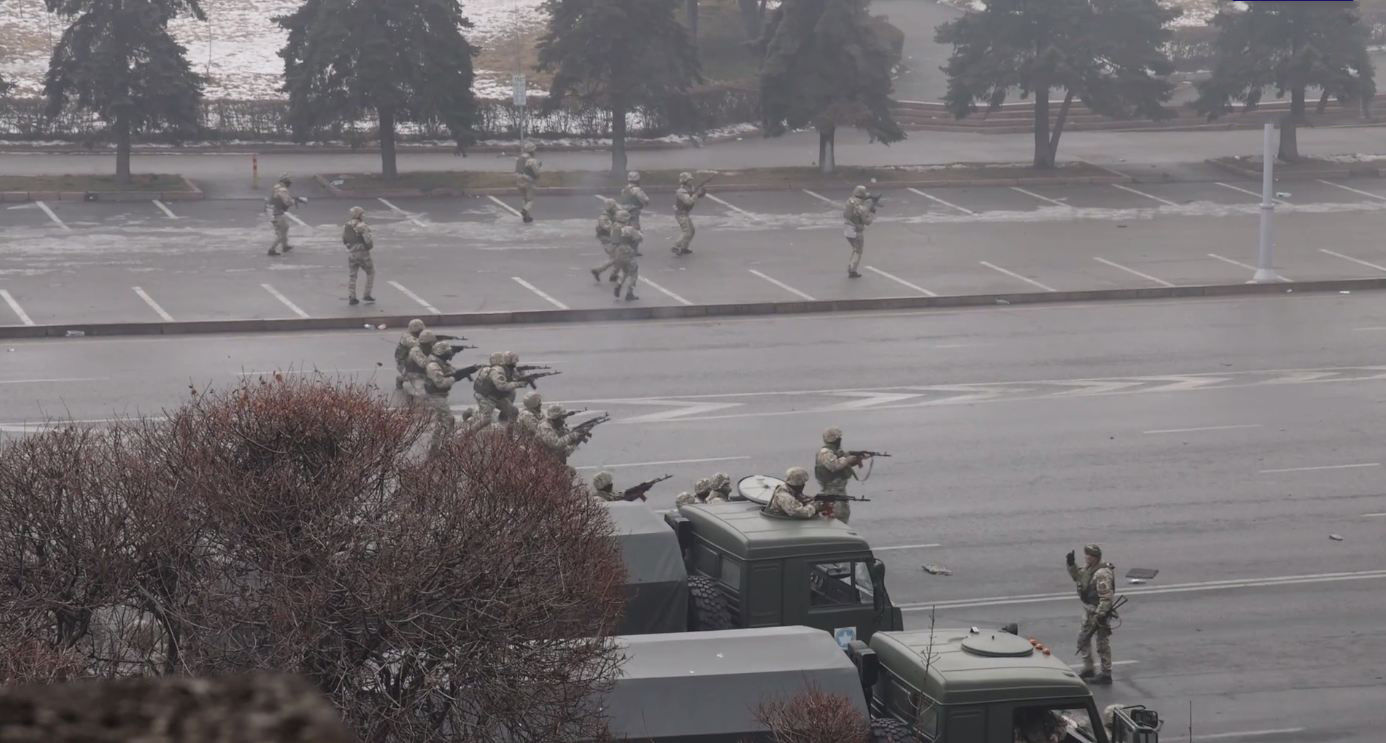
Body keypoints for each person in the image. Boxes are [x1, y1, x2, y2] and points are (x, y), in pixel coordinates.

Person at [1067, 544, 1116, 685]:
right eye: (1086, 554)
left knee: (1102, 643)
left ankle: (1106, 674)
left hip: (1099, 612)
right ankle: (1089, 668)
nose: (1087, 557)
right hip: (1089, 610)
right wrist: (1071, 565)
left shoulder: (1102, 573)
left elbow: (1106, 596)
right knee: (1083, 638)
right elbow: (1079, 578)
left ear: (1096, 557)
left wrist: (1101, 614)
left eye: (1090, 555)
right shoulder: (1089, 569)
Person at [815, 427, 865, 524]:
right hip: (832, 490)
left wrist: (856, 458)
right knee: (838, 515)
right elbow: (834, 466)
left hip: (839, 489)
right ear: (836, 439)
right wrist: (848, 460)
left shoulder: (834, 451)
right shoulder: (825, 453)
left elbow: (841, 465)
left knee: (844, 512)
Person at [422, 339, 459, 447]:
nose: (449, 355)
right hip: (435, 396)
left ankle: (435, 444)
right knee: (449, 419)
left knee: (440, 421)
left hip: (439, 395)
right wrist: (453, 379)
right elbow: (441, 383)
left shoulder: (441, 362)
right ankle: (446, 445)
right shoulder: (433, 365)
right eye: (447, 353)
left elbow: (452, 371)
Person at [473, 351, 527, 424]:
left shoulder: (494, 369)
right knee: (485, 420)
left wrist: (522, 375)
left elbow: (512, 376)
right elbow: (501, 386)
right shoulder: (496, 370)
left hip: (495, 395)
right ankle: (468, 432)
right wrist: (518, 384)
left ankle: (504, 425)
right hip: (487, 398)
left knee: (513, 411)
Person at [342, 206, 375, 305]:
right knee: (370, 272)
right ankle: (367, 294)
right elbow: (368, 240)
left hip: (352, 252)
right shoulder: (362, 225)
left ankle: (352, 296)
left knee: (353, 275)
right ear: (359, 214)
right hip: (362, 252)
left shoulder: (346, 225)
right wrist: (369, 247)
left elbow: (344, 239)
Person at [842, 185, 875, 278]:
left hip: (847, 228)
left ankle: (850, 267)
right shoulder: (860, 207)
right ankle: (852, 270)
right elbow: (866, 221)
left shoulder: (850, 201)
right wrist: (871, 213)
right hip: (856, 230)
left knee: (855, 249)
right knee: (858, 251)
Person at [267, 174, 304, 256]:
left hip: (272, 211)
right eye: (289, 182)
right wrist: (296, 201)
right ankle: (272, 250)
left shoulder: (277, 186)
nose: (290, 183)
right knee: (281, 233)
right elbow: (287, 202)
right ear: (285, 182)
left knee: (285, 227)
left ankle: (285, 246)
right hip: (276, 213)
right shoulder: (282, 190)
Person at [671, 171, 705, 256]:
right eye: (689, 180)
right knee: (686, 232)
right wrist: (696, 195)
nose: (691, 181)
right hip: (681, 214)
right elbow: (688, 202)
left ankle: (684, 248)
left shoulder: (689, 189)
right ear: (684, 181)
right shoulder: (681, 191)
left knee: (692, 231)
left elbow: (694, 195)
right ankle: (676, 246)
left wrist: (701, 193)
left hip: (685, 213)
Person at [590, 199, 624, 283]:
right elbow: (607, 227)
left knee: (618, 256)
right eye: (614, 207)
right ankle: (598, 270)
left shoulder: (613, 214)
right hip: (607, 239)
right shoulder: (604, 217)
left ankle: (613, 275)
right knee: (617, 257)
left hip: (613, 238)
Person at [612, 210, 641, 302]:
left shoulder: (614, 227)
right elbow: (638, 238)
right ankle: (629, 292)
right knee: (634, 273)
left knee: (624, 270)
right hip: (628, 251)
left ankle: (619, 284)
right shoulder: (629, 229)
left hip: (617, 251)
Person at [394, 319, 426, 389]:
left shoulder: (422, 335)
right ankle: (400, 379)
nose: (420, 332)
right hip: (404, 362)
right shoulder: (406, 337)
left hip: (417, 359)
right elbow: (415, 343)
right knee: (412, 376)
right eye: (418, 331)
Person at [515, 141, 541, 223]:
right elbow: (536, 172)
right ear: (532, 151)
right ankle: (525, 211)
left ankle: (526, 217)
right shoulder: (531, 160)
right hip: (528, 181)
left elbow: (517, 169)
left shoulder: (520, 158)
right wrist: (539, 167)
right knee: (530, 200)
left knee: (524, 199)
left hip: (519, 180)